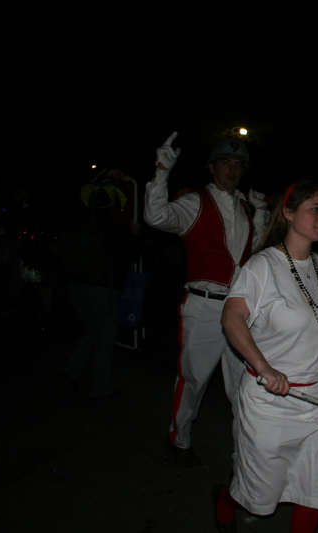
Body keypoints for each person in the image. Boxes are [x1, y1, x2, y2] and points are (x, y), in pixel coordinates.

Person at [215, 180, 318, 533]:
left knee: (314, 489)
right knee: (259, 493)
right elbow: (232, 318)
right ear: (288, 213)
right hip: (271, 400)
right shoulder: (263, 266)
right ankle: (227, 500)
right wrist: (264, 367)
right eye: (314, 209)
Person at [144, 132, 268, 467]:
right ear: (212, 168)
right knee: (194, 379)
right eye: (226, 163)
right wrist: (162, 172)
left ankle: (245, 449)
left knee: (244, 386)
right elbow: (156, 217)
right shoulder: (195, 202)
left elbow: (252, 251)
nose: (233, 169)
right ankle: (179, 438)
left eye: (238, 164)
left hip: (238, 310)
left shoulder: (243, 206)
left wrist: (259, 212)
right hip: (203, 304)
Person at [58, 178, 139, 399]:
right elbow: (130, 256)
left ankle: (70, 372)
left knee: (92, 331)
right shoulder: (113, 228)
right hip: (100, 290)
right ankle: (100, 389)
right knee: (106, 338)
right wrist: (133, 234)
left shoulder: (81, 226)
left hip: (75, 288)